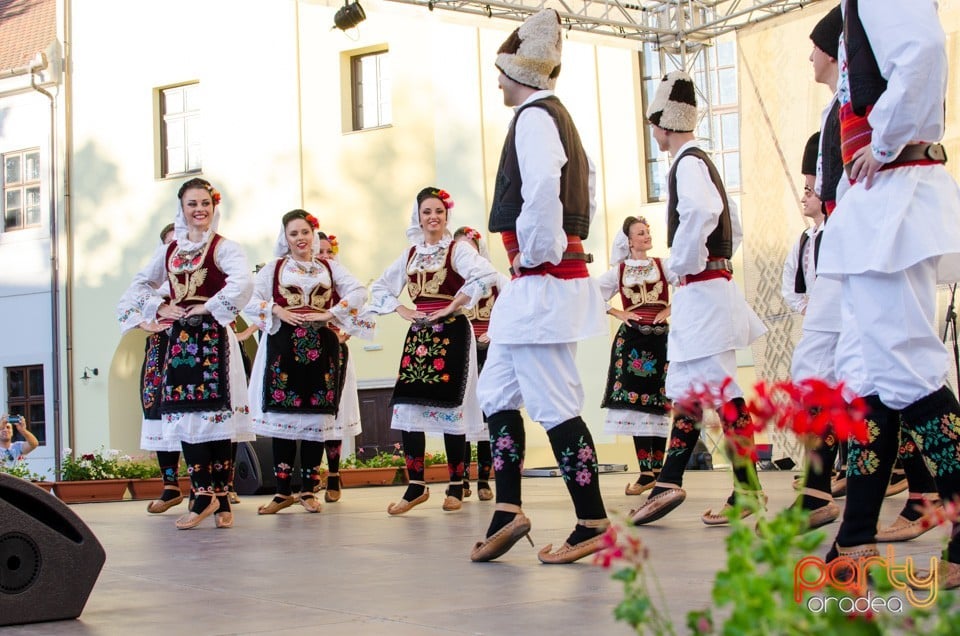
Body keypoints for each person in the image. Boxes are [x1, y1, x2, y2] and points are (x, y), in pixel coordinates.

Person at [816, 0, 960, 588]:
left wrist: (884, 141)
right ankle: (854, 540)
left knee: (905, 366)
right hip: (879, 197)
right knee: (874, 376)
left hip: (893, 189)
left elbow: (922, 54)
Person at [471, 9, 611, 565]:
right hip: (536, 285)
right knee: (495, 393)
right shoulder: (560, 117)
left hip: (540, 282)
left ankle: (593, 520)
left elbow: (544, 187)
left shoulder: (533, 116)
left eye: (501, 72)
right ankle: (509, 508)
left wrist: (540, 250)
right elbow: (591, 186)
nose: (497, 81)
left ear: (520, 74)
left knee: (554, 402)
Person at [629, 70, 767, 527]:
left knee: (721, 390)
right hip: (709, 290)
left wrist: (685, 261)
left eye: (654, 124)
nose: (654, 133)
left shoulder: (687, 162)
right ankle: (670, 482)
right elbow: (735, 226)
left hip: (703, 292)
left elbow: (705, 213)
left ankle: (743, 488)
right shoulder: (702, 163)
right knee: (690, 390)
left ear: (664, 123)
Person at [122, 178, 253, 529]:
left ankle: (218, 496)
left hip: (213, 336)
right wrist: (159, 307)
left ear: (214, 207)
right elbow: (138, 285)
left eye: (205, 203)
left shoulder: (225, 248)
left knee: (217, 418)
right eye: (193, 204)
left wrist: (206, 307)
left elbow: (242, 281)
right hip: (180, 340)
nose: (200, 210)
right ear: (182, 209)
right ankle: (204, 495)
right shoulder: (170, 251)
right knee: (184, 413)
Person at [368, 187, 498, 514]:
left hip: (453, 331)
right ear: (419, 217)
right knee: (408, 406)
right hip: (419, 333)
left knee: (449, 406)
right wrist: (402, 310)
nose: (433, 217)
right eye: (427, 212)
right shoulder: (411, 253)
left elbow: (485, 274)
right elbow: (380, 287)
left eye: (439, 211)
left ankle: (456, 485)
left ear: (446, 216)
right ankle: (415, 486)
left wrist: (454, 304)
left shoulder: (457, 250)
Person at [245, 211, 370, 514]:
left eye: (305, 232)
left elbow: (358, 292)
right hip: (282, 347)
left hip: (320, 348)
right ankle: (282, 491)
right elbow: (247, 296)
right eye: (293, 233)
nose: (300, 238)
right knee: (282, 417)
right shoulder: (274, 268)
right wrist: (276, 309)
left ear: (313, 235)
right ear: (284, 238)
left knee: (316, 419)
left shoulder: (329, 267)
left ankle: (308, 489)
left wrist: (330, 314)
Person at [596, 216, 673, 497]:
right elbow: (592, 293)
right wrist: (618, 312)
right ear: (629, 240)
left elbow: (690, 283)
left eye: (647, 231)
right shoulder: (618, 271)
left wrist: (670, 308)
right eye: (641, 233)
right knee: (637, 404)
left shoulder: (664, 265)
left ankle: (659, 470)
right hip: (632, 343)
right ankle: (645, 472)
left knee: (659, 400)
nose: (646, 236)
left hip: (660, 339)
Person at [117, 222, 190, 514]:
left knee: (197, 409)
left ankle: (203, 487)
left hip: (195, 348)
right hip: (161, 350)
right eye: (170, 243)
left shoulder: (199, 272)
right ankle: (171, 485)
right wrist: (146, 322)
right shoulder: (154, 279)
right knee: (158, 409)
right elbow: (126, 303)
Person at [453, 226, 506, 502]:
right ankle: (460, 478)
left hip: (487, 350)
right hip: (461, 348)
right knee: (460, 410)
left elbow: (512, 305)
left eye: (469, 248)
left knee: (486, 412)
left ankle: (484, 478)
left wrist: (494, 331)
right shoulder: (450, 279)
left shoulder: (495, 278)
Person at [313, 230, 366, 503]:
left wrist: (347, 332)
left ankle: (333, 474)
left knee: (335, 413)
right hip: (307, 351)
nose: (323, 256)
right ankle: (309, 476)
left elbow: (360, 310)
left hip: (336, 351)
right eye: (318, 251)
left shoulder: (343, 282)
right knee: (310, 412)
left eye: (328, 252)